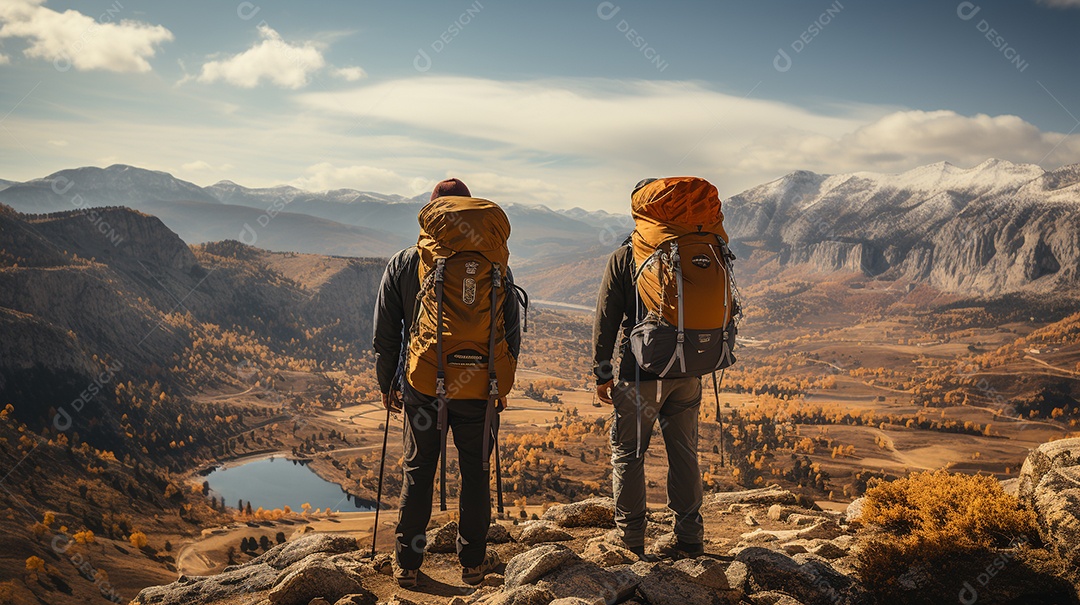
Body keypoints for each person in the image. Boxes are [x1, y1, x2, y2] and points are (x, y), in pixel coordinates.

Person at [373, 178, 521, 587]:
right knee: (475, 472)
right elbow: (511, 330)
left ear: (431, 213)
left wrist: (389, 384)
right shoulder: (495, 261)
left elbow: (387, 333)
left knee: (418, 471)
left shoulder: (406, 261)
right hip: (480, 388)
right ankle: (473, 564)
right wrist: (499, 384)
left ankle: (407, 565)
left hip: (424, 385)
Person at [592, 178, 708, 560]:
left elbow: (607, 319)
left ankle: (630, 542)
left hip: (640, 373)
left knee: (628, 453)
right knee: (684, 451)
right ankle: (690, 538)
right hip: (689, 369)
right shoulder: (696, 245)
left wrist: (602, 372)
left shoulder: (627, 256)